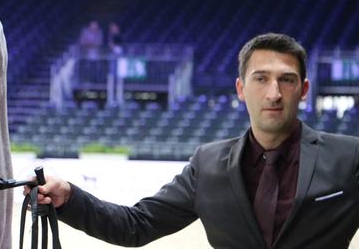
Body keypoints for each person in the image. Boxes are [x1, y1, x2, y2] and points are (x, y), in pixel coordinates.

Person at [26, 33, 359, 248]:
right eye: (261, 79)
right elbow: (135, 226)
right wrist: (69, 197)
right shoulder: (208, 164)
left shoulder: (349, 157)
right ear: (241, 89)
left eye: (286, 81)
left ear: (303, 90)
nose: (273, 93)